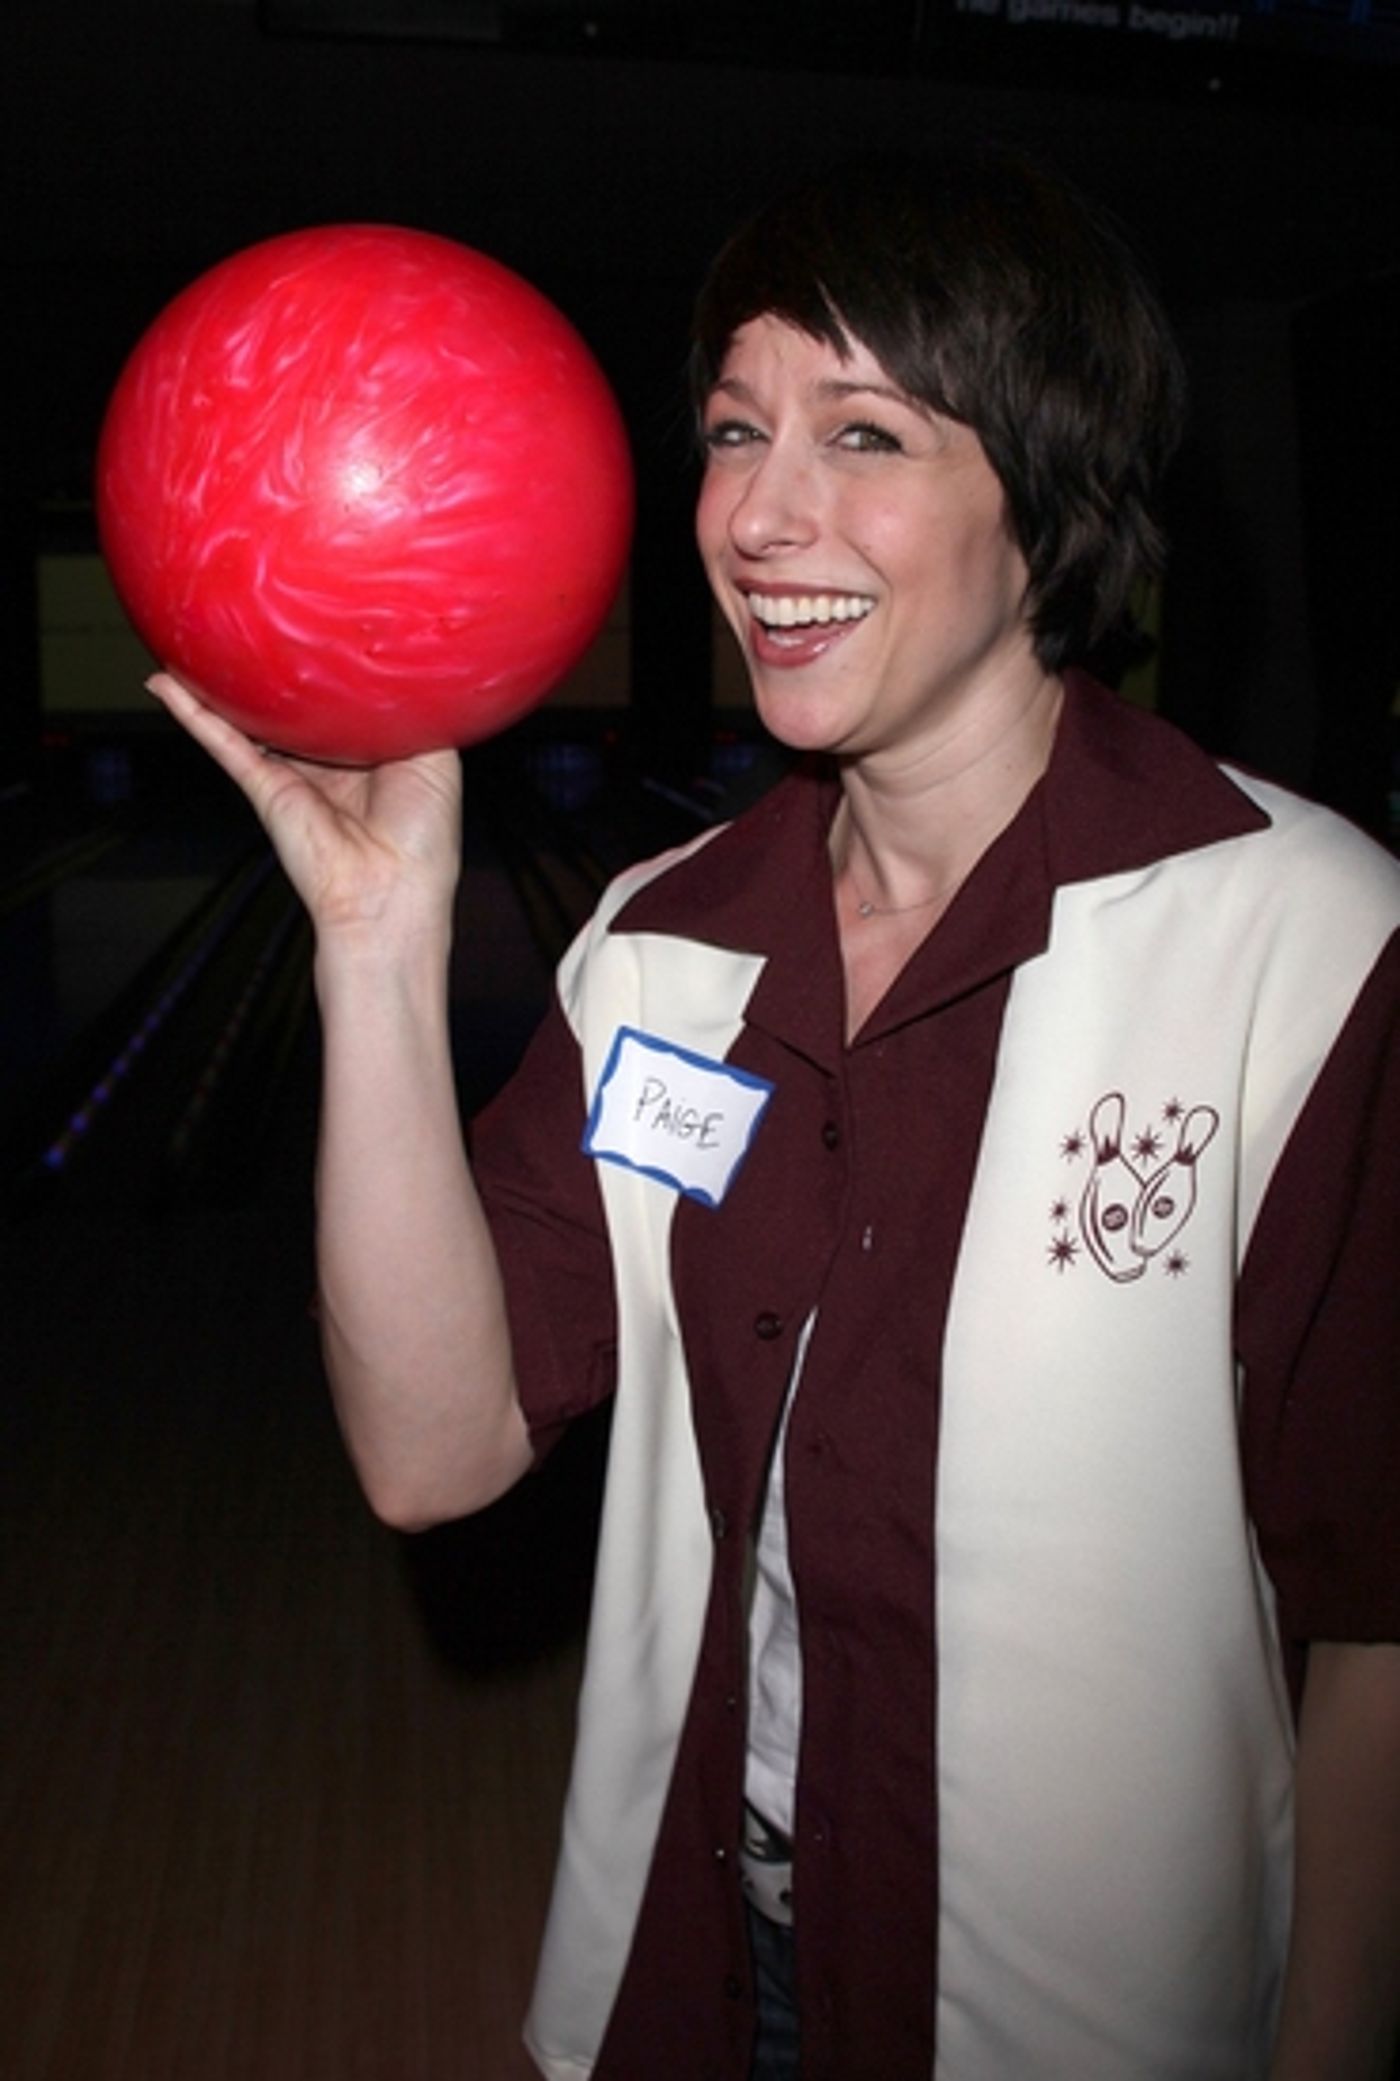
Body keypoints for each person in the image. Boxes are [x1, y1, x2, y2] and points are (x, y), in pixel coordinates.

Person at [148, 149, 1400, 2081]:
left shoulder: (1299, 939)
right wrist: (378, 952)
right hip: (695, 1968)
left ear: (1047, 505)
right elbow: (434, 1451)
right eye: (738, 430)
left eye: (868, 432)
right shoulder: (664, 950)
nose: (761, 513)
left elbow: (1378, 1609)